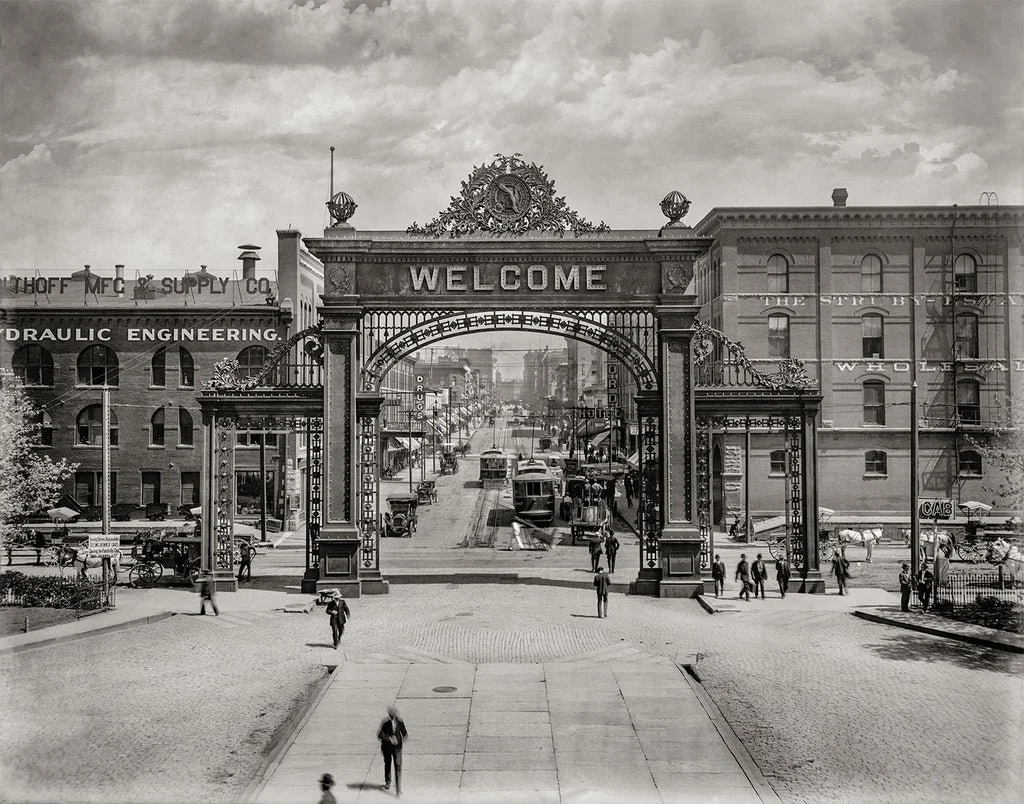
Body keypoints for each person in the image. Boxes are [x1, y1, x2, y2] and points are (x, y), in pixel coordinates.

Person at [377, 705, 408, 795]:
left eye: (394, 713)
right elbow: (380, 735)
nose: (393, 715)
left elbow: (405, 734)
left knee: (398, 767)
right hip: (387, 748)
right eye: (391, 714)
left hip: (397, 748)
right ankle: (388, 782)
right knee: (387, 764)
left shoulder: (400, 722)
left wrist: (398, 741)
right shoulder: (385, 723)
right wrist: (389, 739)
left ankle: (398, 789)